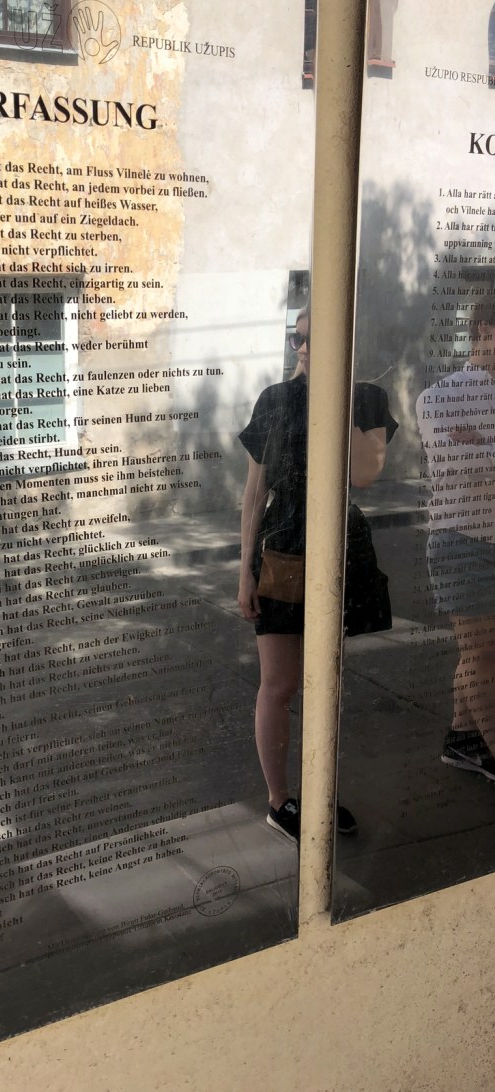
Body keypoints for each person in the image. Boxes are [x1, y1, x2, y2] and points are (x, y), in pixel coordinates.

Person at [237, 307, 398, 842]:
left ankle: (320, 790)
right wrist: (244, 571)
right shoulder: (276, 399)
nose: (303, 348)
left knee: (325, 683)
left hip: (340, 549)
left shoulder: (366, 398)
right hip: (284, 548)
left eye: (315, 338)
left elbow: (364, 474)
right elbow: (255, 491)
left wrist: (338, 394)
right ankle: (280, 800)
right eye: (298, 338)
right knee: (280, 683)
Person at [416, 297, 495, 781]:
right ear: (485, 330)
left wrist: (482, 445)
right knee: (482, 653)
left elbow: (478, 462)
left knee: (479, 652)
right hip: (462, 540)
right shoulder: (440, 396)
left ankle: (463, 738)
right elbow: (455, 465)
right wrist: (478, 453)